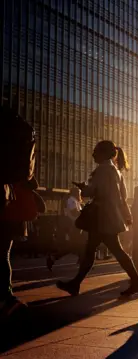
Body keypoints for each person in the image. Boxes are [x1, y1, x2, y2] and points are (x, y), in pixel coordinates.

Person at [57, 141, 138, 297]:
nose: (93, 155)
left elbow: (92, 192)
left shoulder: (102, 170)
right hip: (110, 217)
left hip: (102, 217)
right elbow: (123, 197)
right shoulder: (116, 172)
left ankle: (136, 281)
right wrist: (126, 216)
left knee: (109, 250)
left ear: (103, 153)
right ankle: (76, 283)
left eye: (95, 152)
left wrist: (83, 187)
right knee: (95, 249)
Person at [0, 107, 37, 318]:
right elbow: (27, 174)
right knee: (2, 250)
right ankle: (6, 297)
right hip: (4, 196)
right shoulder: (18, 129)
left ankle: (6, 297)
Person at [47, 187, 84, 270]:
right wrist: (83, 213)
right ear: (75, 193)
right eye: (78, 192)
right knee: (73, 246)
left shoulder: (75, 201)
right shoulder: (72, 200)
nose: (80, 194)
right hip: (74, 226)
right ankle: (53, 257)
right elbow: (74, 213)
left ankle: (82, 261)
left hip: (77, 226)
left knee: (77, 245)